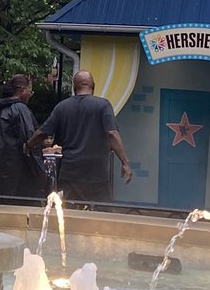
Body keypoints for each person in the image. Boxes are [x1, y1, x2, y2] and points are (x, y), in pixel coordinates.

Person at [25, 70, 133, 206]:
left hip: (70, 173)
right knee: (102, 217)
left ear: (74, 87)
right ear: (93, 86)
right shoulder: (103, 105)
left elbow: (42, 133)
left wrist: (28, 146)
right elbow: (112, 133)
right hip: (97, 174)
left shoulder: (62, 107)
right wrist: (125, 162)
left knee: (69, 215)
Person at [0, 74, 45, 197]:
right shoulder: (20, 109)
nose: (30, 95)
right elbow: (30, 139)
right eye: (30, 91)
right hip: (20, 168)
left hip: (2, 164)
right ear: (22, 89)